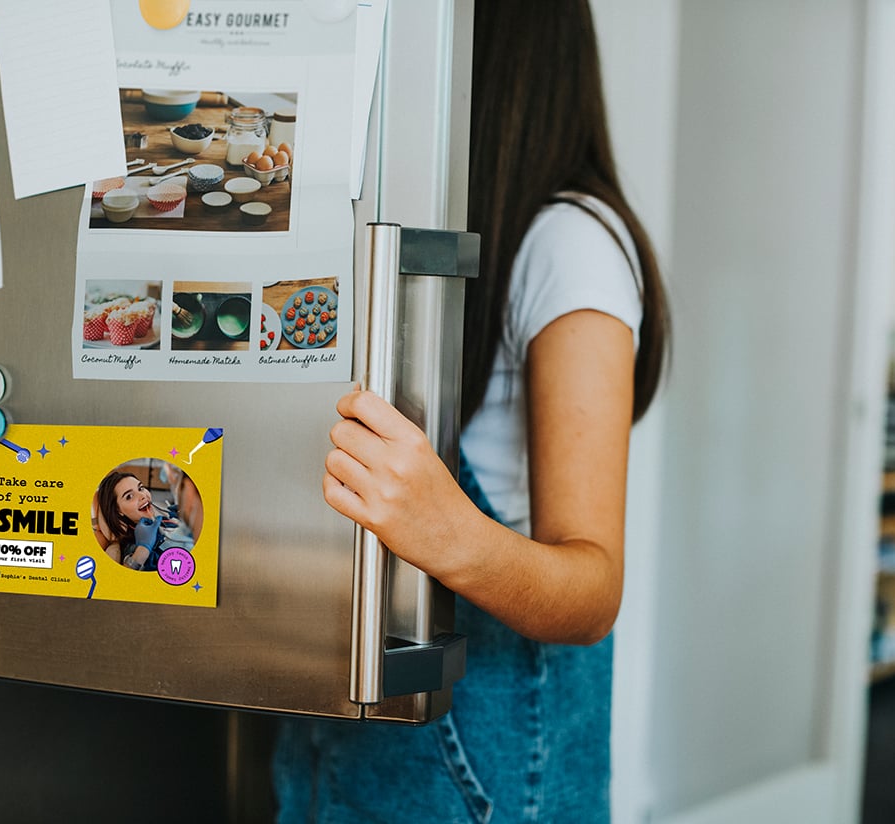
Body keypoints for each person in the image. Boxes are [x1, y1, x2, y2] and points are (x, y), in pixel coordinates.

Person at [272, 1, 670, 820]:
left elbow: (593, 589)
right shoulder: (409, 230)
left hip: (477, 774)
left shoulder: (571, 242)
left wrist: (444, 529)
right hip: (337, 743)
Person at [94, 470, 180, 571]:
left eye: (141, 488)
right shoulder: (133, 550)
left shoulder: (166, 519)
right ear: (118, 510)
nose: (142, 495)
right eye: (129, 496)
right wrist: (144, 548)